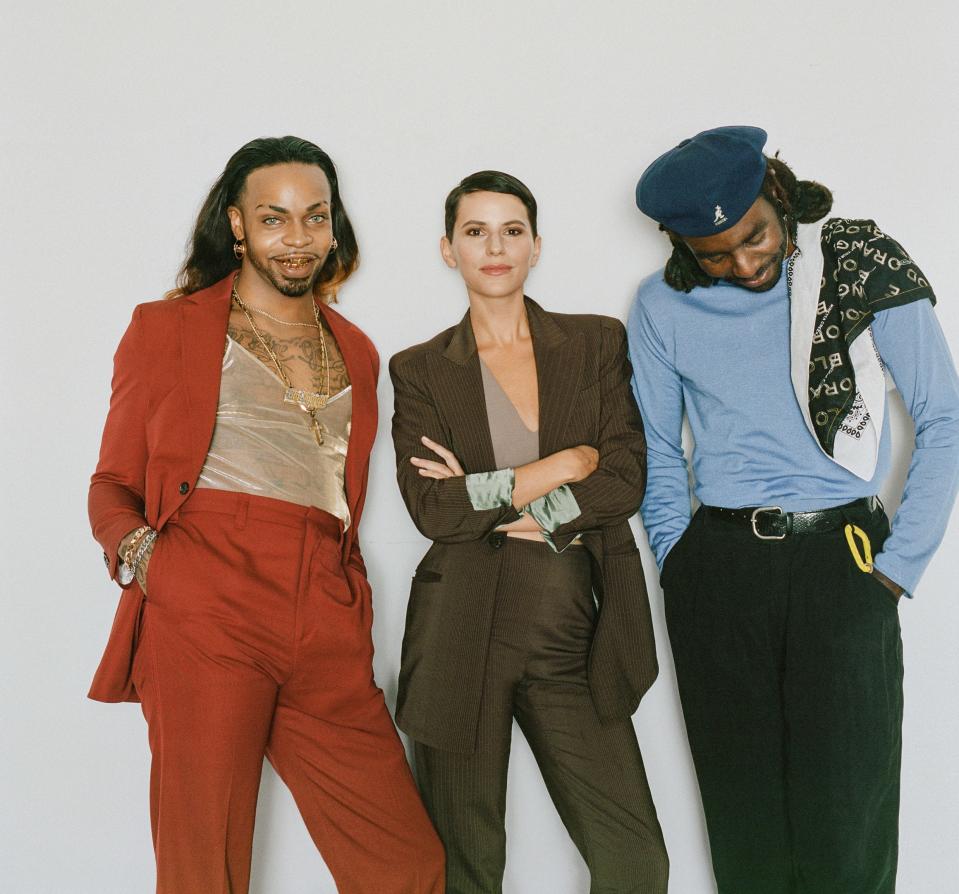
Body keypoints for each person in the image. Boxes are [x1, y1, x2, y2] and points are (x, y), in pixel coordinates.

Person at [87, 135, 444, 894]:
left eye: (315, 218)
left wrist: (343, 597)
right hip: (207, 597)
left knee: (405, 863)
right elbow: (111, 483)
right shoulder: (167, 328)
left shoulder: (356, 349)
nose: (297, 238)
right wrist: (157, 564)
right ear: (238, 226)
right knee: (204, 863)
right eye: (274, 219)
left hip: (323, 601)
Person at [628, 125, 959, 894]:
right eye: (715, 254)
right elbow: (652, 443)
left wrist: (898, 565)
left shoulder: (857, 268)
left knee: (847, 817)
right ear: (677, 242)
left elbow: (942, 417)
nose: (744, 263)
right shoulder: (659, 307)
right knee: (743, 821)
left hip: (840, 558)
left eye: (756, 236)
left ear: (778, 195)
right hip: (718, 568)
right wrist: (680, 559)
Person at [389, 170, 669, 893]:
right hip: (458, 633)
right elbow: (435, 510)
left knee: (633, 860)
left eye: (511, 230)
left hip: (572, 635)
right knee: (467, 867)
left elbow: (623, 479)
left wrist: (519, 505)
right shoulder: (419, 370)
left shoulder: (593, 343)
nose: (494, 246)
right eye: (474, 231)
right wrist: (563, 464)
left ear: (536, 245)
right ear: (447, 250)